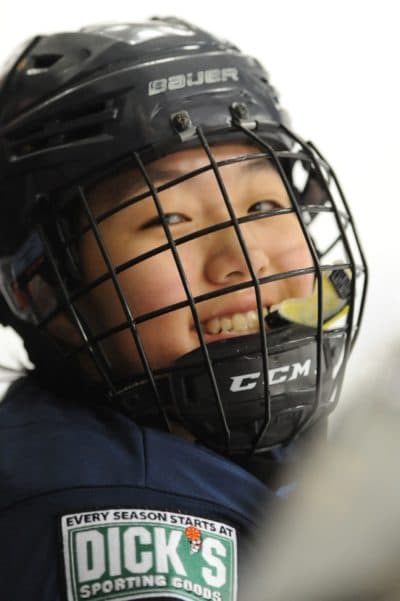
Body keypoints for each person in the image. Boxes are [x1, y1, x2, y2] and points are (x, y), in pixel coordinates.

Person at [0, 17, 367, 601]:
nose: (244, 257)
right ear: (43, 288)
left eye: (264, 204)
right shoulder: (112, 516)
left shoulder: (221, 440)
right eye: (169, 221)